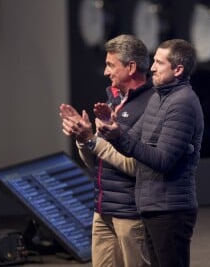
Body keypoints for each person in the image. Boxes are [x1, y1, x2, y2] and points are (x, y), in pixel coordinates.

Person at [95, 39, 204, 267]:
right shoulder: (157, 97)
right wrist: (108, 130)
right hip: (152, 206)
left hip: (171, 210)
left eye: (158, 62)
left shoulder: (183, 103)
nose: (152, 67)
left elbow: (163, 160)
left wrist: (118, 136)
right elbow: (131, 137)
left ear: (178, 69)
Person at [60, 34, 153, 267]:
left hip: (131, 214)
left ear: (131, 67)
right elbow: (96, 164)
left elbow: (136, 166)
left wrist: (92, 141)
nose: (105, 71)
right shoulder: (112, 102)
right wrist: (83, 138)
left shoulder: (152, 105)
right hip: (103, 210)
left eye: (111, 65)